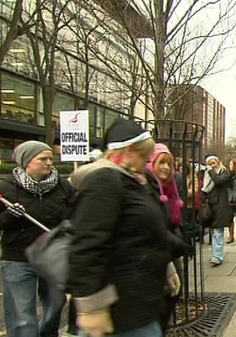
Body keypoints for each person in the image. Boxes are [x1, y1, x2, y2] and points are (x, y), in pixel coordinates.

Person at [68, 119, 187, 337]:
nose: (147, 162)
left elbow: (148, 231)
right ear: (130, 151)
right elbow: (88, 245)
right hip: (119, 314)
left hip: (140, 305)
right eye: (144, 156)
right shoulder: (105, 181)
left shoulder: (136, 181)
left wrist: (168, 265)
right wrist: (92, 307)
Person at [0, 140, 75, 337]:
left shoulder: (62, 186)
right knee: (22, 317)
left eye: (50, 158)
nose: (49, 162)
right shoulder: (5, 187)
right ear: (27, 162)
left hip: (53, 257)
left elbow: (74, 213)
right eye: (43, 159)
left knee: (57, 304)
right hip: (18, 257)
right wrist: (8, 215)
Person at [145, 143, 185, 333]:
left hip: (168, 252)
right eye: (161, 163)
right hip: (153, 258)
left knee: (173, 294)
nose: (166, 168)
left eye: (169, 164)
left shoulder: (170, 187)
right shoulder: (146, 188)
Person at [201, 155, 233, 266]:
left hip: (220, 205)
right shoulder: (207, 175)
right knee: (213, 232)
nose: (211, 166)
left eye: (213, 163)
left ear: (218, 162)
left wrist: (210, 171)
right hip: (210, 206)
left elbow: (218, 181)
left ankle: (217, 256)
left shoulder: (224, 172)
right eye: (209, 164)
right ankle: (215, 254)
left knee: (218, 232)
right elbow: (205, 188)